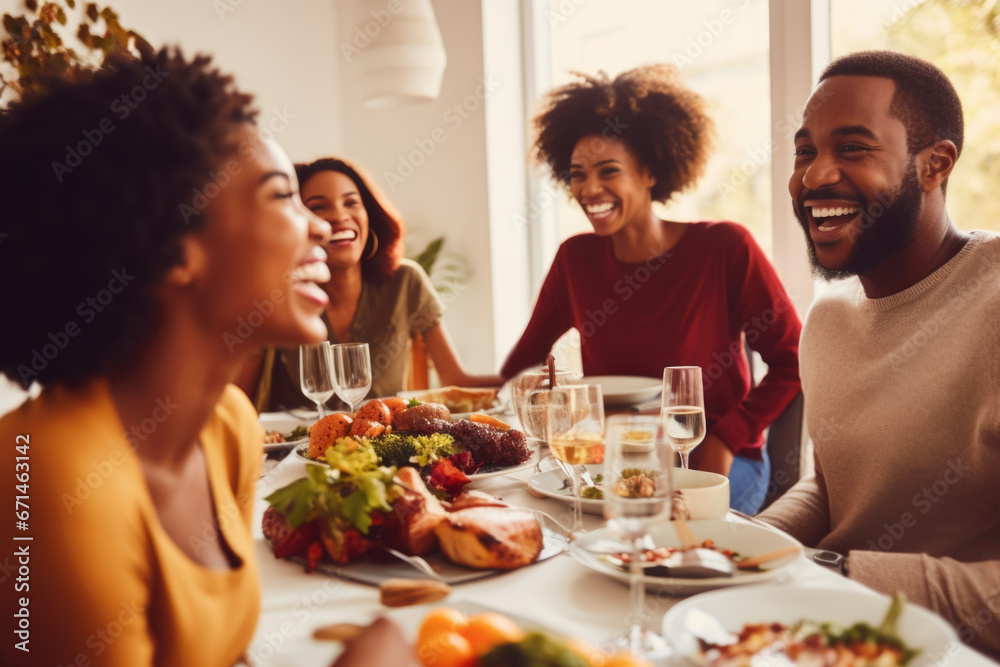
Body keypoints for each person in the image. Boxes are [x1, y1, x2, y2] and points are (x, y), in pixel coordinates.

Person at [0, 49, 333, 665]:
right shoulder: (41, 477)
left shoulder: (229, 426)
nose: (319, 228)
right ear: (175, 248)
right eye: (282, 195)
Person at [757, 50, 1000, 658]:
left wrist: (836, 577)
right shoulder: (830, 318)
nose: (814, 177)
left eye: (853, 148)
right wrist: (745, 544)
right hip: (819, 634)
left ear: (934, 165)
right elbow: (835, 487)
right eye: (805, 150)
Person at [500, 64, 802, 514]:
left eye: (608, 170)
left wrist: (726, 436)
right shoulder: (574, 259)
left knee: (664, 538)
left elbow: (793, 360)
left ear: (650, 172)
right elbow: (521, 367)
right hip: (615, 459)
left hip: (711, 459)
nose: (589, 188)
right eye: (577, 173)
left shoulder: (723, 247)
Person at [241, 157, 500, 411]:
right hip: (290, 449)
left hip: (377, 448)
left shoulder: (405, 281)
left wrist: (524, 379)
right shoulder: (277, 292)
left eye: (351, 202)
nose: (340, 215)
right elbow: (237, 399)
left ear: (369, 216)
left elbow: (456, 381)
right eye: (319, 207)